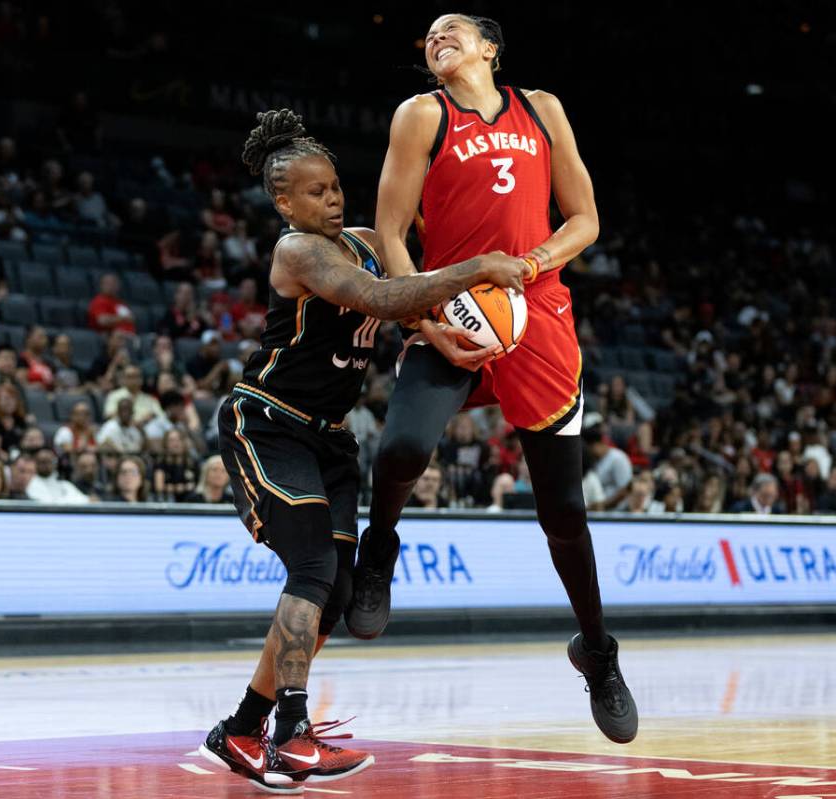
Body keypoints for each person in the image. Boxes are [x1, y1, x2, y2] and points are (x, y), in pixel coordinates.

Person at [197, 108, 526, 792]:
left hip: (330, 438)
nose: (333, 197)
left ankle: (239, 727)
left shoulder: (370, 239)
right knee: (314, 568)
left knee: (340, 590)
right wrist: (474, 270)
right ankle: (291, 734)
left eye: (336, 185)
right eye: (315, 191)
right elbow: (377, 296)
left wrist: (442, 324)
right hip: (269, 422)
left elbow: (409, 291)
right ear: (285, 201)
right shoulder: (298, 252)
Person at [348, 13, 638, 745]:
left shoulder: (542, 108)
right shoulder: (420, 115)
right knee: (401, 449)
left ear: (490, 49)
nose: (437, 37)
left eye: (454, 29)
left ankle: (596, 649)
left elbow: (585, 219)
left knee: (563, 511)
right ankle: (379, 547)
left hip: (534, 311)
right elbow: (389, 233)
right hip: (450, 302)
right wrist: (421, 318)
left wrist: (531, 265)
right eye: (429, 35)